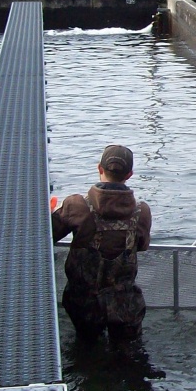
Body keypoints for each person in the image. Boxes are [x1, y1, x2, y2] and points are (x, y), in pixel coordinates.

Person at [52, 144, 152, 342]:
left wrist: (48, 215)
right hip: (125, 305)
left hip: (83, 305)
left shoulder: (76, 205)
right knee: (128, 355)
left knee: (85, 348)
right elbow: (141, 246)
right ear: (129, 174)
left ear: (100, 168)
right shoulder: (142, 212)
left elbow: (48, 235)